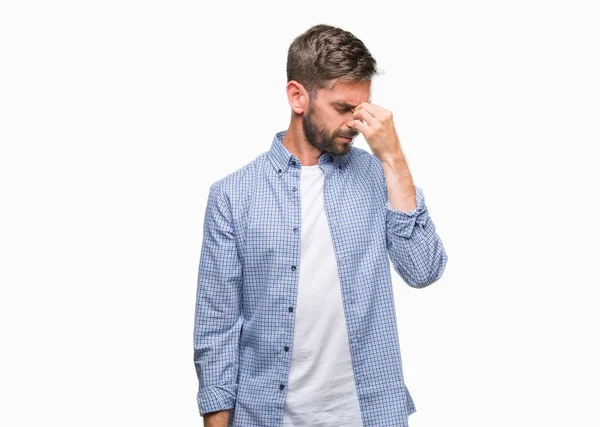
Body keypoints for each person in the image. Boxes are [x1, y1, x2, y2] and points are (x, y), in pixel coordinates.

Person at [193, 23, 449, 427]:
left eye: (363, 109)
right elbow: (217, 328)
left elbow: (423, 270)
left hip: (370, 414)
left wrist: (394, 158)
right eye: (344, 109)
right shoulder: (233, 196)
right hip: (266, 416)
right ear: (298, 96)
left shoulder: (378, 175)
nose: (357, 124)